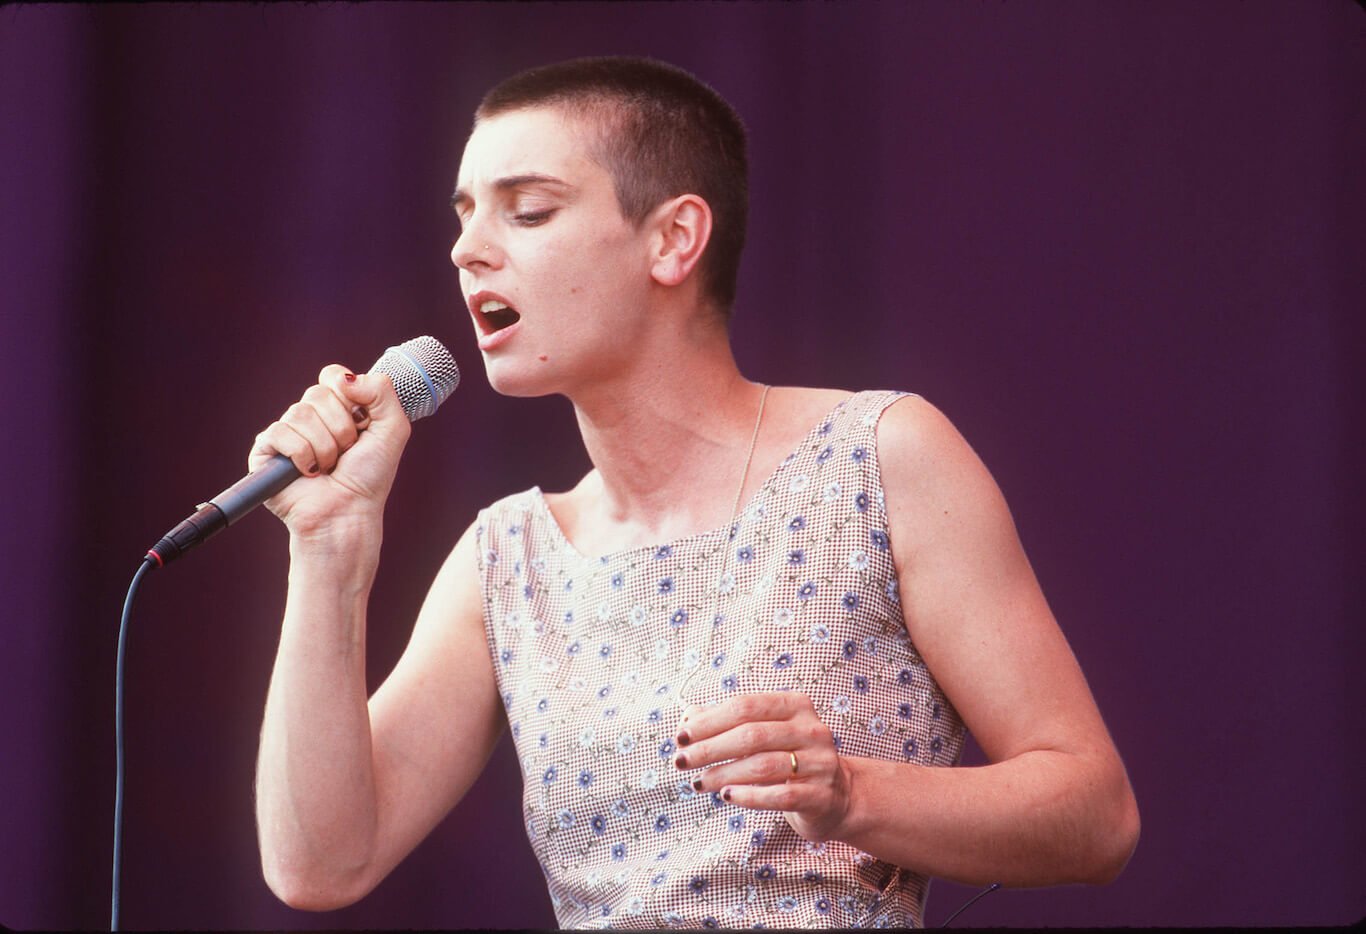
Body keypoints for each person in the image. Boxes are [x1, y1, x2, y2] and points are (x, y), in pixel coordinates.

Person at [250, 56, 1139, 929]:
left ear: (674, 240)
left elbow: (1095, 816)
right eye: (465, 215)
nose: (467, 249)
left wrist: (852, 794)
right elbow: (320, 862)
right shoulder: (509, 557)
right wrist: (328, 551)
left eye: (527, 211)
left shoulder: (878, 458)